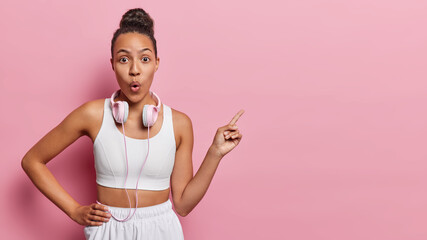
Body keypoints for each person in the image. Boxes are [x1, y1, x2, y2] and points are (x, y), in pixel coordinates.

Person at [21, 7, 244, 240]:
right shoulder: (92, 114)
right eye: (124, 59)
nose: (134, 70)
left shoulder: (179, 123)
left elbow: (183, 205)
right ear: (112, 64)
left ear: (156, 63)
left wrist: (215, 153)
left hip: (161, 229)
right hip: (108, 228)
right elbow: (32, 161)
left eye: (145, 59)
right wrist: (74, 210)